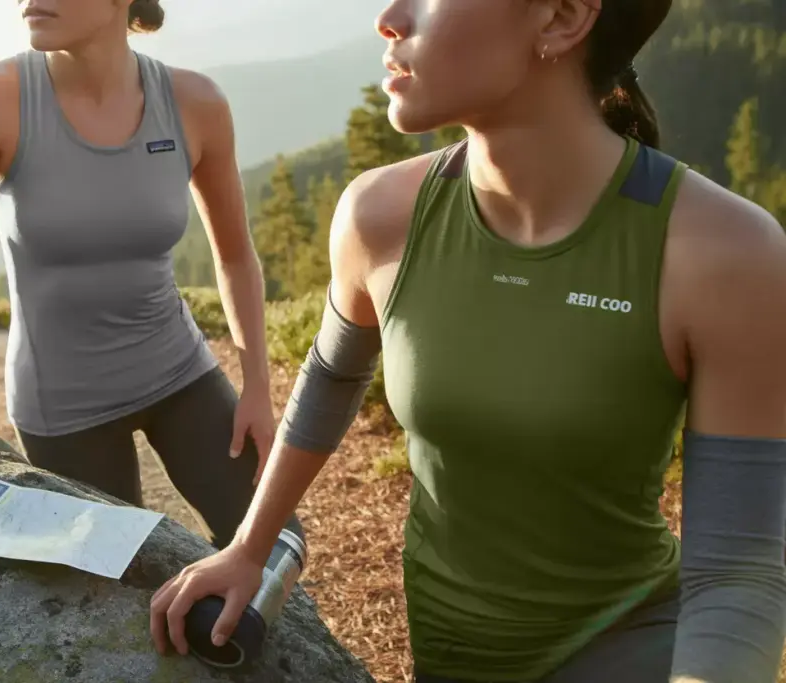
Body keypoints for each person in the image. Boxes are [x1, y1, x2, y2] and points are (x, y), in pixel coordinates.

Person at [149, 0, 786, 681]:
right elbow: (331, 379)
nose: (389, 18)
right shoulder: (379, 216)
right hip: (450, 655)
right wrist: (250, 545)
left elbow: (737, 573)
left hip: (632, 649)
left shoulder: (726, 254)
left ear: (562, 19)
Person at [0, 0, 303, 583]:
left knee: (279, 545)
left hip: (179, 373)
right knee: (119, 585)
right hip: (65, 408)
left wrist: (257, 387)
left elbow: (236, 256)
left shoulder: (195, 103)